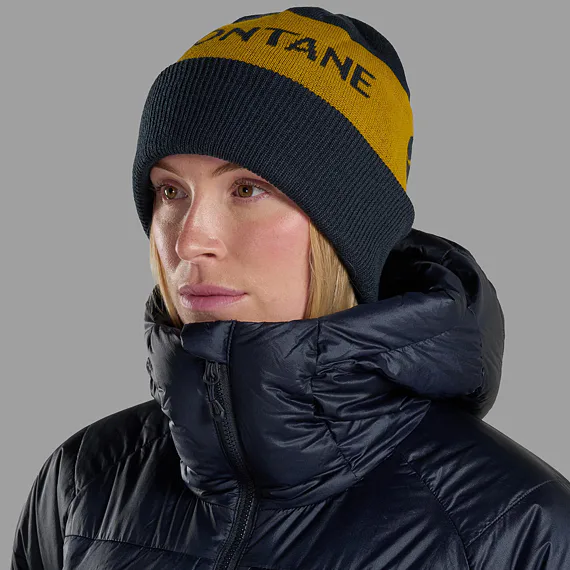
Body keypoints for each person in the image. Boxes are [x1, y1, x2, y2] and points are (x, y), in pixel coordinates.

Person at [11, 6, 570, 569]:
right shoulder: (82, 483)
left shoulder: (517, 526)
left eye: (247, 189)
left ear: (348, 229)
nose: (190, 241)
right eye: (171, 191)